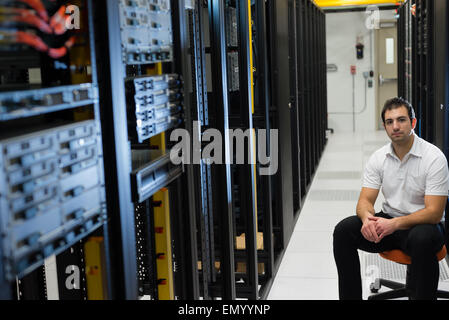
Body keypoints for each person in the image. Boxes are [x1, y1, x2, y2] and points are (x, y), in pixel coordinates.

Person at [333, 97, 449, 300]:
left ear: (413, 123)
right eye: (389, 122)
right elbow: (365, 201)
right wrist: (367, 218)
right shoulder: (379, 158)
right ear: (385, 127)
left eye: (401, 120)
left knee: (422, 239)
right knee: (343, 231)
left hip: (425, 226)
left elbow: (434, 212)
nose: (395, 126)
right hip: (389, 222)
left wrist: (394, 224)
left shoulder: (434, 158)